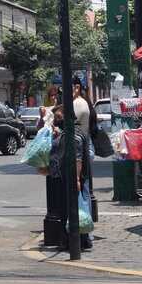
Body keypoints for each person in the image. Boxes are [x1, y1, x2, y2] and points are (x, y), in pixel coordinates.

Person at [49, 104, 92, 251]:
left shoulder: (73, 135)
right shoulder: (69, 132)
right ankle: (79, 240)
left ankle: (74, 242)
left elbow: (77, 159)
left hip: (71, 178)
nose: (56, 120)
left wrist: (77, 179)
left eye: (58, 117)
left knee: (72, 210)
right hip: (68, 177)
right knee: (74, 209)